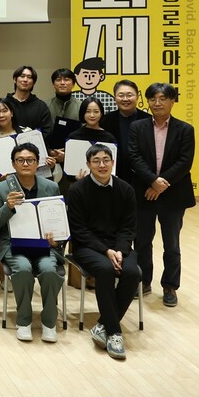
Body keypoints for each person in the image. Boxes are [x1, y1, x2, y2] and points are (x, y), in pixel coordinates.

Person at [69, 143, 141, 360]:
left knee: (133, 272)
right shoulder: (77, 190)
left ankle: (102, 325)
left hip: (118, 246)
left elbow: (128, 228)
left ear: (113, 162)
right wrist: (106, 250)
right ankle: (115, 333)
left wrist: (119, 250)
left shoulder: (125, 189)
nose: (102, 165)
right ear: (88, 164)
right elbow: (79, 230)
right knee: (105, 270)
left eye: (106, 160)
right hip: (88, 246)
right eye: (96, 161)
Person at [0, 144, 64, 343]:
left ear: (38, 163)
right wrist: (8, 207)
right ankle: (24, 320)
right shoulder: (2, 188)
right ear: (13, 164)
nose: (26, 164)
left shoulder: (51, 187)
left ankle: (49, 322)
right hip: (15, 246)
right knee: (22, 269)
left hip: (45, 246)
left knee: (49, 270)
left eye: (30, 160)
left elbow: (60, 221)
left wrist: (56, 240)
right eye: (20, 160)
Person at [129, 82, 196, 307]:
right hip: (144, 192)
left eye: (163, 98)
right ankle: (144, 281)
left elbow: (184, 162)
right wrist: (152, 180)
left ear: (172, 101)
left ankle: (170, 286)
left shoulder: (185, 129)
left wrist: (160, 184)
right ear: (147, 102)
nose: (157, 103)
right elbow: (134, 157)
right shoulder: (137, 127)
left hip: (173, 195)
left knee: (172, 244)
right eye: (153, 99)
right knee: (142, 241)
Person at [58, 97, 118, 196]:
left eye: (96, 111)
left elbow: (113, 166)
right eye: (88, 111)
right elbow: (69, 169)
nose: (92, 115)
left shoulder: (109, 138)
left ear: (101, 113)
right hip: (78, 187)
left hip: (104, 187)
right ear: (82, 113)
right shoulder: (73, 137)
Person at [101, 80, 151, 187]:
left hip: (142, 177)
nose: (125, 99)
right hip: (113, 176)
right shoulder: (105, 120)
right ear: (115, 97)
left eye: (129, 95)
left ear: (137, 97)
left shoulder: (149, 120)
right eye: (121, 95)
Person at [7, 66, 54, 136]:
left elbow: (47, 131)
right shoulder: (5, 104)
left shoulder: (41, 106)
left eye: (29, 77)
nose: (25, 80)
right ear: (14, 79)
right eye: (22, 76)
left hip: (34, 143)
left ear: (33, 82)